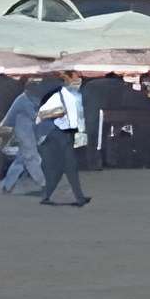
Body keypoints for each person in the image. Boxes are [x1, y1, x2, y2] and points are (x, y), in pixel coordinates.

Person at [35, 69, 91, 207]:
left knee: (62, 167)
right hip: (57, 133)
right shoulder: (58, 95)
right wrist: (57, 115)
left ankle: (52, 196)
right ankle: (77, 197)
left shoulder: (72, 95)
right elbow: (42, 115)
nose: (78, 81)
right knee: (68, 165)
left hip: (64, 134)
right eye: (76, 78)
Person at [0, 79, 47, 198]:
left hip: (26, 131)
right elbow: (36, 117)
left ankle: (7, 185)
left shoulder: (28, 98)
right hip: (23, 131)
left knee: (21, 160)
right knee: (31, 158)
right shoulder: (24, 100)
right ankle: (44, 184)